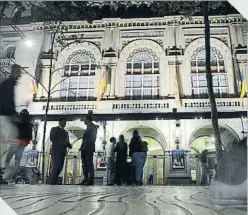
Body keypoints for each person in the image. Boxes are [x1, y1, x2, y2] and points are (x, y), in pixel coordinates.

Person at [0, 64, 22, 182]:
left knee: (6, 144)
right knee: (5, 144)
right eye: (18, 71)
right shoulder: (8, 84)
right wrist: (13, 113)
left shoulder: (9, 83)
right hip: (4, 116)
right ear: (13, 71)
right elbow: (6, 100)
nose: (20, 74)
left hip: (5, 116)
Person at [2, 109, 32, 183]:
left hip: (15, 141)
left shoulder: (19, 122)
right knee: (17, 161)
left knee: (8, 159)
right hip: (23, 143)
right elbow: (30, 135)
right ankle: (10, 177)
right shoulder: (29, 123)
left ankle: (4, 176)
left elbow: (13, 130)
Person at [49, 117, 72, 185]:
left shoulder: (65, 132)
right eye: (63, 122)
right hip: (56, 151)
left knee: (60, 166)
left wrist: (69, 145)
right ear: (59, 122)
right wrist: (63, 143)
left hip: (63, 152)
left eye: (65, 122)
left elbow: (67, 141)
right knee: (56, 165)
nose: (64, 123)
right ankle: (53, 180)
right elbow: (53, 139)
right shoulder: (54, 129)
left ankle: (55, 179)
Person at [79, 115, 97, 185]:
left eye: (84, 120)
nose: (84, 121)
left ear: (88, 120)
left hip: (88, 148)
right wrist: (82, 147)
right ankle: (85, 178)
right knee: (84, 164)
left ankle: (90, 179)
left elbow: (93, 138)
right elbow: (84, 139)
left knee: (89, 164)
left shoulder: (93, 127)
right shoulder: (87, 128)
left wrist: (88, 146)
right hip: (84, 148)